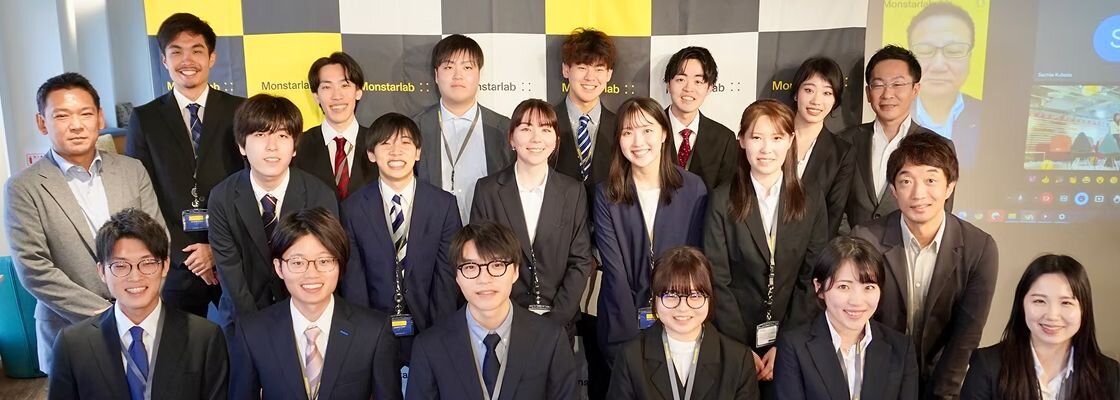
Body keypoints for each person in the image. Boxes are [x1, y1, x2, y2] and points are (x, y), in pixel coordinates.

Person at [5, 72, 164, 372]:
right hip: (69, 330)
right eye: (62, 115)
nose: (76, 125)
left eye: (85, 113)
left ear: (100, 117)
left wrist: (138, 306)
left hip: (142, 324)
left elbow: (157, 241)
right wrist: (109, 315)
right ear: (42, 123)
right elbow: (33, 268)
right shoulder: (23, 187)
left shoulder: (132, 170)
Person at [852, 131, 997, 399]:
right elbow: (857, 322)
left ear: (950, 186)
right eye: (906, 181)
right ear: (894, 190)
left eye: (931, 180)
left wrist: (942, 394)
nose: (919, 193)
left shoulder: (979, 248)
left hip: (942, 375)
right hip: (876, 375)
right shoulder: (865, 240)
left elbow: (966, 336)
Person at [704, 99, 827, 399]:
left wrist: (783, 343)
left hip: (792, 338)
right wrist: (739, 346)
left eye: (777, 138)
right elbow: (716, 278)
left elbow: (813, 276)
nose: (766, 149)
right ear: (742, 140)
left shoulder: (811, 200)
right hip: (732, 339)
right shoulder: (722, 200)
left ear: (791, 140)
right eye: (757, 137)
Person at [126, 13, 246, 318]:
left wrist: (215, 249)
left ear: (212, 57)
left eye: (196, 50)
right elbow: (140, 191)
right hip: (174, 261)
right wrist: (186, 253)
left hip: (232, 255)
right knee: (179, 351)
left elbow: (249, 183)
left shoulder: (240, 111)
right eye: (176, 51)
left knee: (241, 344)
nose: (186, 60)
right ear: (164, 60)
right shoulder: (146, 118)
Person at [48, 208, 228, 400]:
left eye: (148, 263)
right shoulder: (73, 344)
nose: (135, 277)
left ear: (165, 265)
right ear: (101, 271)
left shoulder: (204, 338)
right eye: (120, 265)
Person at [229, 208, 401, 400]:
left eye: (324, 261)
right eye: (297, 262)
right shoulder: (252, 332)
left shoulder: (373, 331)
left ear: (340, 265)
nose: (311, 273)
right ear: (279, 267)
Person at [208, 94, 339, 330]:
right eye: (260, 135)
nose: (272, 146)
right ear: (241, 146)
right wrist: (259, 327)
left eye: (282, 135)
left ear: (294, 146)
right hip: (243, 318)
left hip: (306, 316)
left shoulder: (320, 196)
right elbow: (230, 272)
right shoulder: (222, 197)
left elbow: (322, 268)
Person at [406, 222, 578, 400]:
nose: (484, 279)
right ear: (457, 276)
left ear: (515, 271)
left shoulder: (550, 339)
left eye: (496, 265)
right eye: (471, 267)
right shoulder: (429, 346)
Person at [595, 97, 708, 363]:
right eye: (627, 132)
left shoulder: (693, 189)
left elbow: (693, 263)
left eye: (647, 130)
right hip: (621, 322)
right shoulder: (606, 194)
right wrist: (630, 340)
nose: (638, 142)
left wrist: (674, 314)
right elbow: (614, 272)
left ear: (664, 134)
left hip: (679, 319)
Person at [342, 112, 462, 364]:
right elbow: (354, 279)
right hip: (374, 329)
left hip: (430, 327)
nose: (396, 151)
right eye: (386, 143)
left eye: (405, 143)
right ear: (371, 154)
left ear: (418, 152)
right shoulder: (352, 209)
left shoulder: (443, 205)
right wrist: (365, 333)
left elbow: (447, 276)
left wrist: (438, 332)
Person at [470, 99, 594, 337]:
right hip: (502, 322)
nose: (536, 138)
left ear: (556, 140)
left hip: (559, 325)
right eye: (526, 128)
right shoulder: (488, 190)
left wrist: (556, 319)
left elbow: (580, 261)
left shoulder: (573, 191)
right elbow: (482, 260)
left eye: (546, 129)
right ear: (512, 138)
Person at [774, 236, 919, 400]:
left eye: (869, 287)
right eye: (844, 286)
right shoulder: (794, 347)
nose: (856, 301)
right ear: (819, 287)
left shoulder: (901, 348)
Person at [607, 246, 760, 400]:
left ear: (709, 298)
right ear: (655, 299)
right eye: (671, 295)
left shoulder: (738, 359)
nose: (682, 307)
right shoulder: (631, 356)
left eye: (694, 296)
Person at [961, 255, 1120, 400]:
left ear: (1083, 309)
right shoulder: (987, 366)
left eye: (1066, 303)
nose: (1052, 315)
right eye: (1039, 301)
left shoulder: (1110, 374)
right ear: (1021, 304)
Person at [843, 45, 953, 230]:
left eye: (897, 84)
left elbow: (940, 214)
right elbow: (834, 208)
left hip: (908, 254)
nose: (887, 94)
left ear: (915, 89)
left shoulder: (939, 146)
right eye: (878, 85)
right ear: (868, 93)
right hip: (854, 253)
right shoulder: (845, 141)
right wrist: (853, 249)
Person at [413, 34, 512, 222]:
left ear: (478, 74)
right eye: (449, 67)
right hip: (433, 235)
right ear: (436, 75)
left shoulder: (503, 128)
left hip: (489, 238)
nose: (458, 75)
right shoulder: (416, 128)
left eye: (467, 67)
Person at [907, 2, 981, 169]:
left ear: (970, 57)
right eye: (925, 50)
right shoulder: (896, 115)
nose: (939, 65)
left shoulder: (992, 117)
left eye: (954, 51)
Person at [294, 51, 376, 201]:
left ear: (358, 92)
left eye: (344, 85)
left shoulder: (378, 142)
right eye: (326, 87)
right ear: (316, 96)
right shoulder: (298, 145)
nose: (337, 96)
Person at [790, 57, 855, 237]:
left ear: (835, 100)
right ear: (796, 93)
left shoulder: (842, 152)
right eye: (809, 90)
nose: (816, 100)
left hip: (811, 254)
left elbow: (833, 216)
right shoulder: (772, 138)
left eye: (827, 93)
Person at [662, 46, 739, 190]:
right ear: (668, 83)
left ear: (710, 88)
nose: (688, 88)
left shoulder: (724, 139)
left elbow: (724, 196)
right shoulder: (650, 130)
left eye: (698, 81)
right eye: (680, 79)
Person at [552, 28, 619, 188]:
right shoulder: (546, 122)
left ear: (609, 74)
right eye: (582, 67)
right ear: (566, 70)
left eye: (599, 69)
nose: (590, 77)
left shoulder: (621, 126)